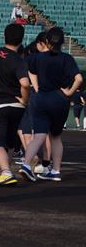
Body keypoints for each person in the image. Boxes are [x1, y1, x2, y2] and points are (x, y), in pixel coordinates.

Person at [19, 27, 83, 182]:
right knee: (55, 137)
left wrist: (37, 87)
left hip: (41, 98)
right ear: (63, 42)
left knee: (39, 135)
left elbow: (29, 71)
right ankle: (55, 171)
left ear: (47, 41)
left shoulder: (37, 57)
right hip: (60, 99)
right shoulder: (67, 58)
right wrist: (69, 93)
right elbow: (79, 79)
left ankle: (27, 165)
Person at [0, 24, 30, 186]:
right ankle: (7, 171)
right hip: (16, 106)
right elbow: (25, 84)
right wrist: (24, 100)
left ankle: (6, 172)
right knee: (10, 142)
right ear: (21, 39)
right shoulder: (19, 60)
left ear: (4, 36)